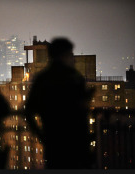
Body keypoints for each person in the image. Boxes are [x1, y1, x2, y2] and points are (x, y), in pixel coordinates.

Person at [25, 38, 94, 169]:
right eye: (70, 54)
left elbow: (29, 111)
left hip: (54, 144)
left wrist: (42, 136)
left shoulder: (43, 79)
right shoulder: (74, 78)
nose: (73, 58)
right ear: (64, 55)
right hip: (76, 145)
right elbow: (79, 113)